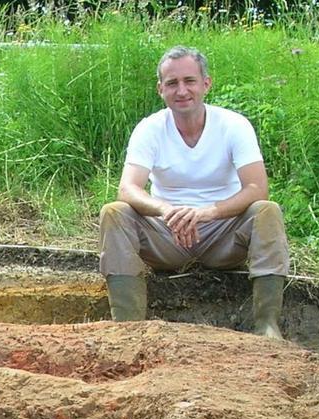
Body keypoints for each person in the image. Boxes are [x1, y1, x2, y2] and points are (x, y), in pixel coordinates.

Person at [99, 45, 289, 339]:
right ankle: (128, 329)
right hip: (168, 234)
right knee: (114, 212)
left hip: (223, 235)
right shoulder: (150, 128)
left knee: (267, 210)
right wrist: (166, 210)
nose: (182, 91)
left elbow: (256, 187)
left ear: (206, 84)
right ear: (160, 89)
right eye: (172, 83)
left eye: (189, 81)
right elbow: (128, 188)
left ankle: (267, 326)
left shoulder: (233, 125)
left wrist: (208, 212)